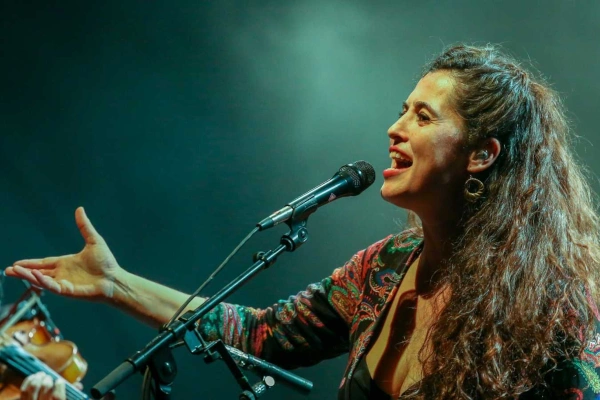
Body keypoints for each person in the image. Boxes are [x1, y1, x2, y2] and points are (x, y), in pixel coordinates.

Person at [6, 44, 600, 399]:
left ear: (481, 153)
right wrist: (116, 283)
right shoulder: (386, 268)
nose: (395, 129)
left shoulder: (554, 308)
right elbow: (263, 334)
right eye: (401, 111)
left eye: (423, 116)